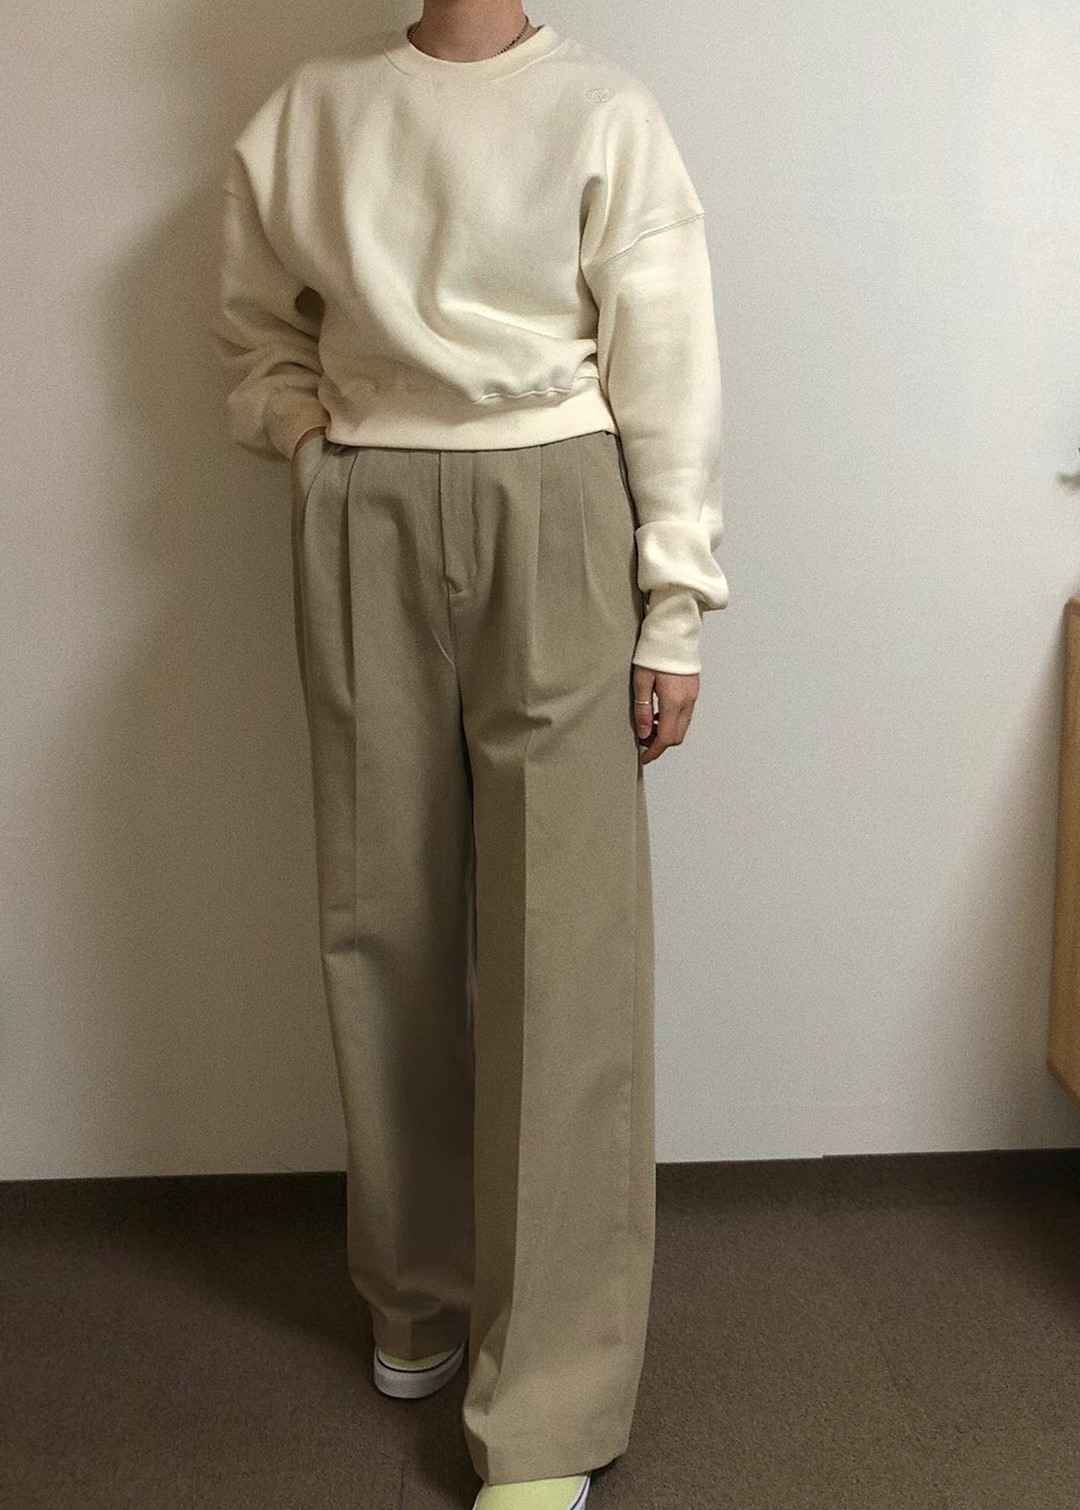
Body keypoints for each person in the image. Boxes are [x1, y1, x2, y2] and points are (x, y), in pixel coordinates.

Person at [207, 4, 728, 1506]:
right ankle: (419, 1286)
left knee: (567, 950)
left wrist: (673, 607)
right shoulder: (310, 113)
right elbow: (254, 323)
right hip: (364, 504)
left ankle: (550, 1402)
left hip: (557, 502)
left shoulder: (605, 112)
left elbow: (668, 365)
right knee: (384, 921)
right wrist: (308, 439)